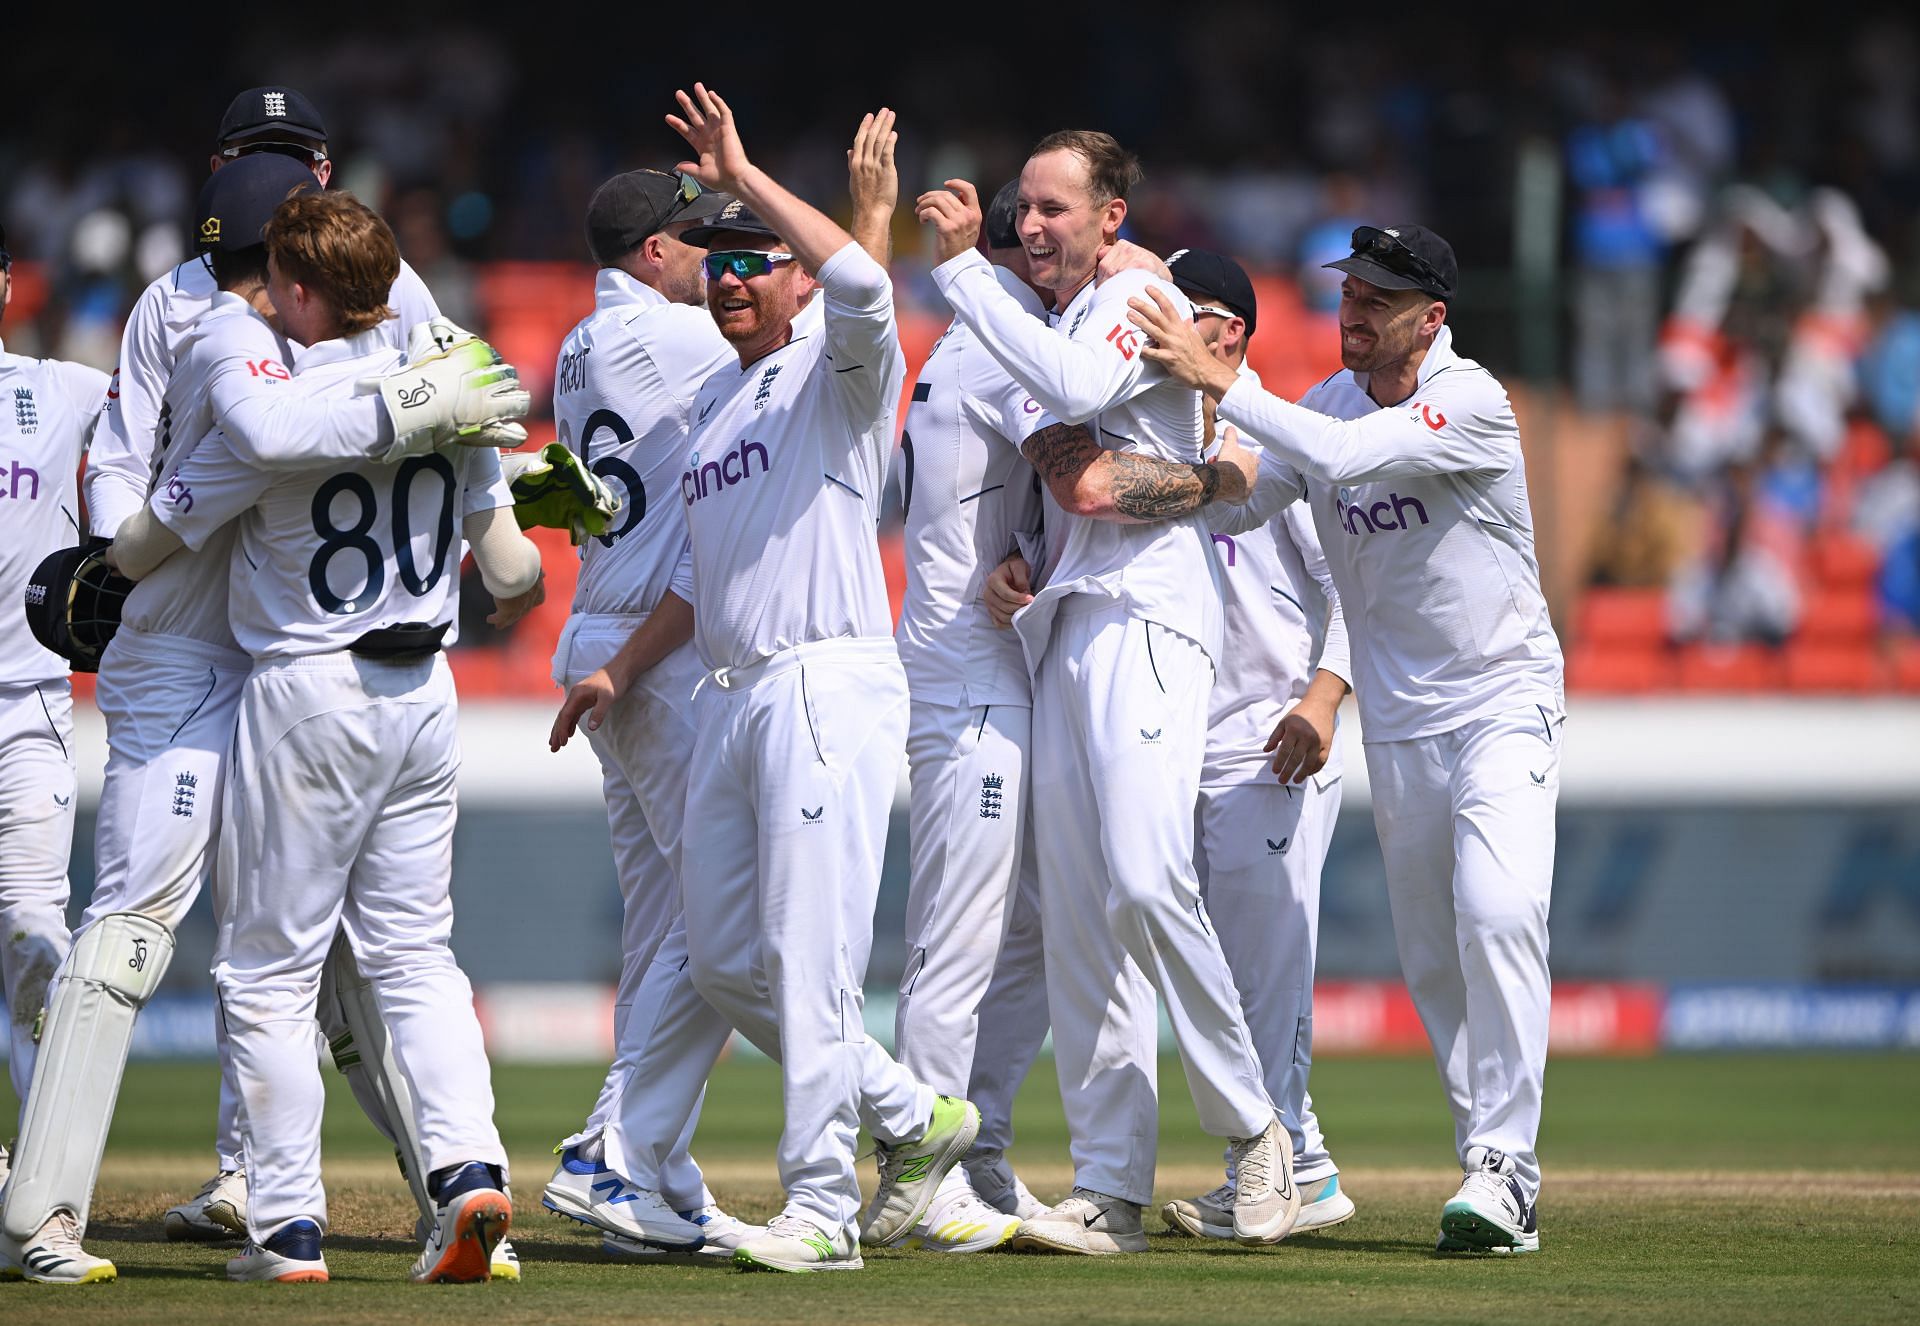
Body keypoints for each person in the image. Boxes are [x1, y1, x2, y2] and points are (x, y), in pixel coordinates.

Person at [0, 153, 526, 1285]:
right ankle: (467, 1178)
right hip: (418, 691)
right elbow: (517, 562)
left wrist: (103, 573)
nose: (247, 296)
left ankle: (280, 1222)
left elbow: (197, 491)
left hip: (307, 684)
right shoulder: (453, 364)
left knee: (266, 974)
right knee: (411, 958)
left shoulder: (269, 388)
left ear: (294, 284)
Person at [1128, 222, 1565, 1255]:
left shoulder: (1472, 403)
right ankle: (1487, 1169)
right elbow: (1241, 505)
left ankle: (1508, 1167)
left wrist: (1219, 381)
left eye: (1379, 296)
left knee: (1499, 912)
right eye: (1349, 291)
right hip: (1404, 726)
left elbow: (1343, 456)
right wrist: (1118, 500)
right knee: (1434, 959)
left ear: (1432, 317)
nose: (1355, 310)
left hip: (1503, 700)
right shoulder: (1324, 403)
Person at [916, 132, 1298, 1256]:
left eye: (1054, 209)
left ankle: (1256, 1134)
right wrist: (1028, 553)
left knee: (1141, 871)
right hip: (1072, 621)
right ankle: (1110, 1184)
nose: (1031, 226)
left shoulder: (1140, 289)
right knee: (1086, 914)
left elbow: (1085, 402)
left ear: (1112, 216)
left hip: (1152, 615)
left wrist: (955, 273)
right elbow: (1081, 475)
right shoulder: (1058, 314)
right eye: (1020, 209)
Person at [626, 86, 976, 1274]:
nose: (729, 279)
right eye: (716, 263)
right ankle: (913, 1119)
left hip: (826, 681)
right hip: (727, 695)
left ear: (797, 278)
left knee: (809, 953)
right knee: (727, 961)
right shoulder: (713, 405)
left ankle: (821, 1212)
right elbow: (690, 578)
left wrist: (748, 171)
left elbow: (870, 290)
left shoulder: (840, 375)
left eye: (754, 262)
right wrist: (613, 673)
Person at [535, 165, 761, 1259]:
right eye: (700, 245)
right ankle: (615, 1149)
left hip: (601, 634)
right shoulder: (681, 341)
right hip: (652, 655)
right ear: (653, 253)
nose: (720, 269)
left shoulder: (580, 341)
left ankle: (650, 1168)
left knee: (660, 924)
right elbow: (799, 348)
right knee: (716, 917)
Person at [1156, 248, 1357, 1239]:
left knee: (1263, 974)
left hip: (1269, 742)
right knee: (1224, 979)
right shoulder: (1142, 434)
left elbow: (1360, 591)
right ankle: (1302, 1162)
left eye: (1184, 314)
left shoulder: (1280, 437)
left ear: (1231, 333)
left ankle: (1286, 1173)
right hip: (1175, 744)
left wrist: (1323, 700)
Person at [886, 176, 1056, 1251]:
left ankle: (979, 1150)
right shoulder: (1004, 345)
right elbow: (1078, 483)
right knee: (959, 936)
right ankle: (921, 1174)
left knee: (1028, 928)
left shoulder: (957, 345)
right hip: (971, 675)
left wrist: (1029, 551)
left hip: (992, 668)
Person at [0, 219, 107, 1193]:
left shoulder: (60, 390)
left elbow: (173, 410)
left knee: (36, 938)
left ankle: (44, 1187)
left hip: (26, 709)